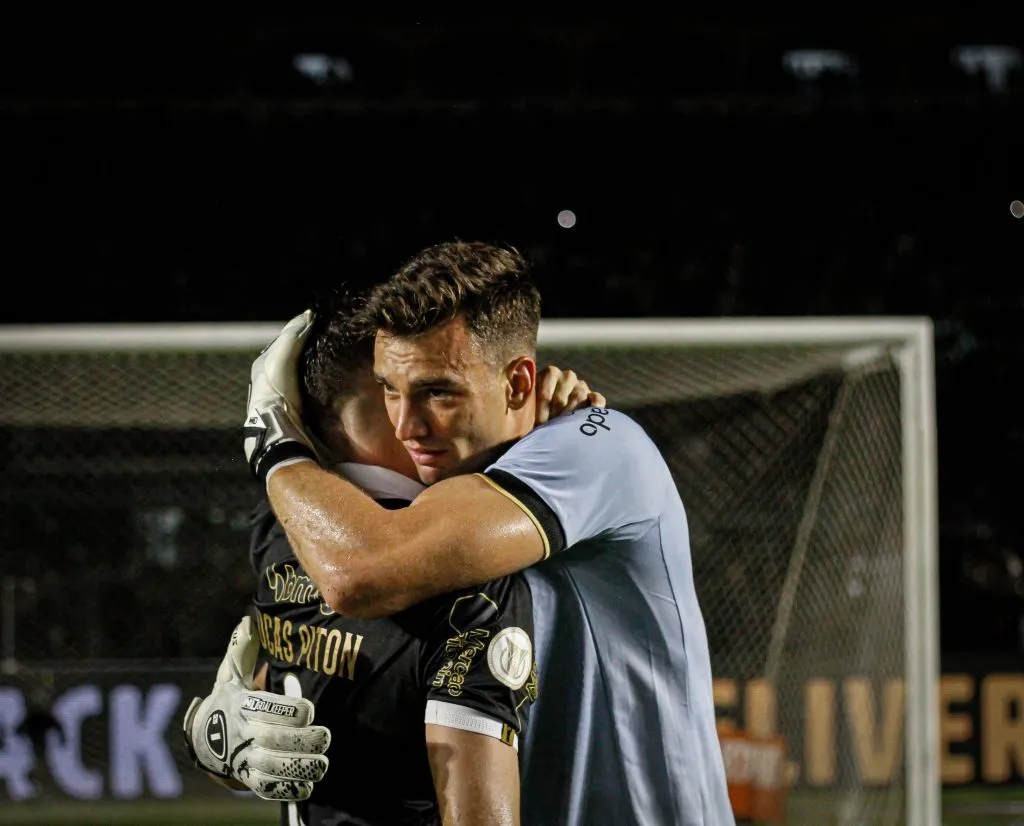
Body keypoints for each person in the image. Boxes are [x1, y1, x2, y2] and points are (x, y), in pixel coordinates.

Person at [244, 241, 735, 825]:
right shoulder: (440, 504)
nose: (406, 426)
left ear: (520, 384)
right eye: (390, 391)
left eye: (438, 392)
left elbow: (359, 573)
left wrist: (274, 444)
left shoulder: (600, 447)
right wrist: (234, 736)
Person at [191, 287, 603, 826]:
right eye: (392, 392)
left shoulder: (278, 525)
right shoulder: (466, 583)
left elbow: (304, 695)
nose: (417, 423)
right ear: (343, 420)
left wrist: (209, 736)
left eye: (435, 392)